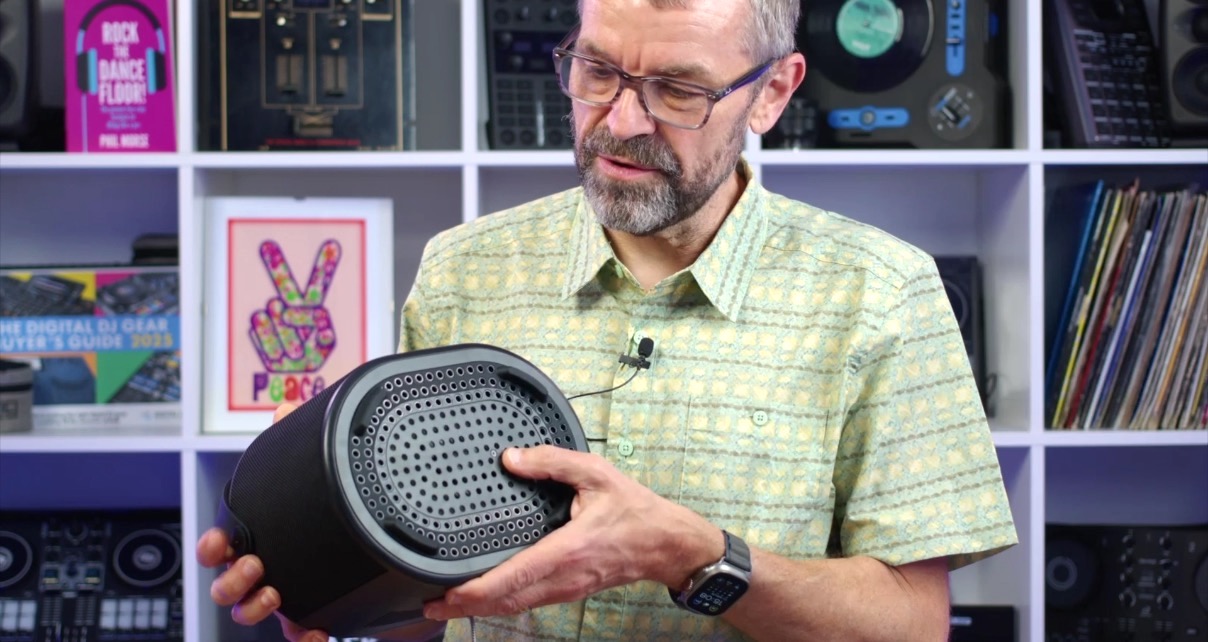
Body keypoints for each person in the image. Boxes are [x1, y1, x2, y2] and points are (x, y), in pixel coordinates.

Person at [198, 0, 1019, 640]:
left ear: (772, 92)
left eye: (679, 90)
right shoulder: (463, 268)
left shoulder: (884, 292)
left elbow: (912, 625)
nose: (622, 122)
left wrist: (694, 556)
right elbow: (437, 608)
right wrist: (337, 589)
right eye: (596, 71)